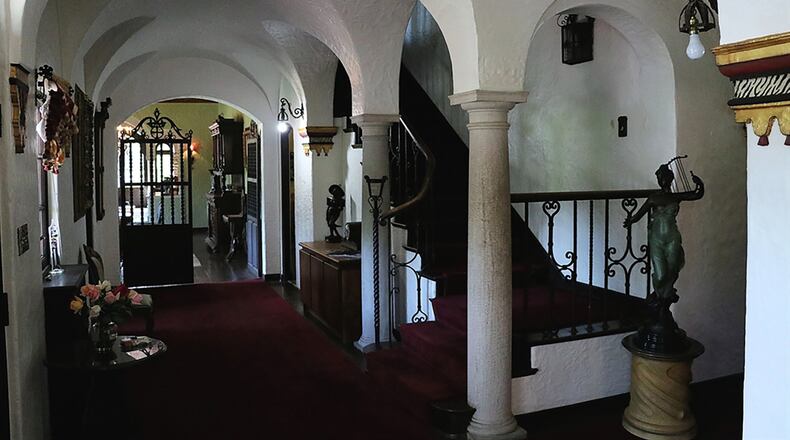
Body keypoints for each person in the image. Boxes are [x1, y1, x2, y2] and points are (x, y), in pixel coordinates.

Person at [624, 160, 704, 306]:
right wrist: (630, 221)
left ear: (670, 179)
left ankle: (665, 299)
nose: (663, 181)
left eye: (665, 178)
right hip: (657, 239)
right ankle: (661, 296)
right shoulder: (653, 198)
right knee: (660, 275)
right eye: (661, 178)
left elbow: (697, 194)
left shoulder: (676, 197)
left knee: (673, 269)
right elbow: (638, 215)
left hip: (672, 237)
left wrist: (699, 183)